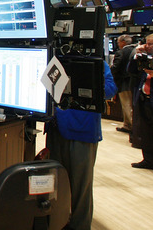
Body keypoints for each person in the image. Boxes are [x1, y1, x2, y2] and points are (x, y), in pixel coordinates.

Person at [46, 60, 117, 230]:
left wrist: (80, 86)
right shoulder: (52, 57)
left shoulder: (94, 62)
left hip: (81, 129)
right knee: (56, 182)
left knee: (80, 185)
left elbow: (110, 89)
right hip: (55, 128)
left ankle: (80, 225)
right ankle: (58, 221)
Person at [127, 32, 153, 170]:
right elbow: (131, 71)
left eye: (150, 44)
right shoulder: (146, 58)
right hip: (144, 99)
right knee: (146, 133)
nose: (147, 46)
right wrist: (136, 55)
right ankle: (148, 160)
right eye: (146, 43)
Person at [110, 34, 136, 133]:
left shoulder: (121, 52)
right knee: (132, 104)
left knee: (126, 105)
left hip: (123, 82)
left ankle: (130, 126)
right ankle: (130, 125)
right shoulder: (136, 50)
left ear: (123, 42)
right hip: (134, 81)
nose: (118, 44)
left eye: (118, 42)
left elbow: (116, 67)